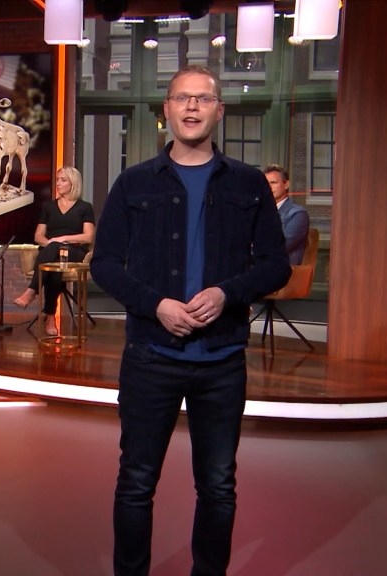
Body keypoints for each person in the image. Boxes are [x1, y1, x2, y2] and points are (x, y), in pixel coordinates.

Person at [90, 65, 290, 576]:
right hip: (150, 356)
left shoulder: (248, 183)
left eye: (203, 98)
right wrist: (155, 304)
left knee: (218, 485)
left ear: (219, 110)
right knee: (136, 482)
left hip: (222, 360)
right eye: (182, 98)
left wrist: (226, 294)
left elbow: (275, 265)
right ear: (167, 110)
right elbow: (105, 263)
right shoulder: (134, 183)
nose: (193, 106)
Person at [12, 166, 95, 336]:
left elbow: (88, 237)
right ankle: (50, 317)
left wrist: (61, 239)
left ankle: (32, 291)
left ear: (73, 183)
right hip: (51, 252)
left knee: (56, 249)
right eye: (57, 180)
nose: (58, 183)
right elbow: (38, 236)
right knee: (54, 265)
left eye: (63, 180)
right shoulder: (49, 207)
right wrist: (50, 243)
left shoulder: (85, 207)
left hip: (75, 251)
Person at [263, 163, 310, 265]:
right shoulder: (258, 212)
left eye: (273, 182)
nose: (268, 187)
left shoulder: (298, 214)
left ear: (286, 184)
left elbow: (278, 246)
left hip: (281, 270)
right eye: (265, 183)